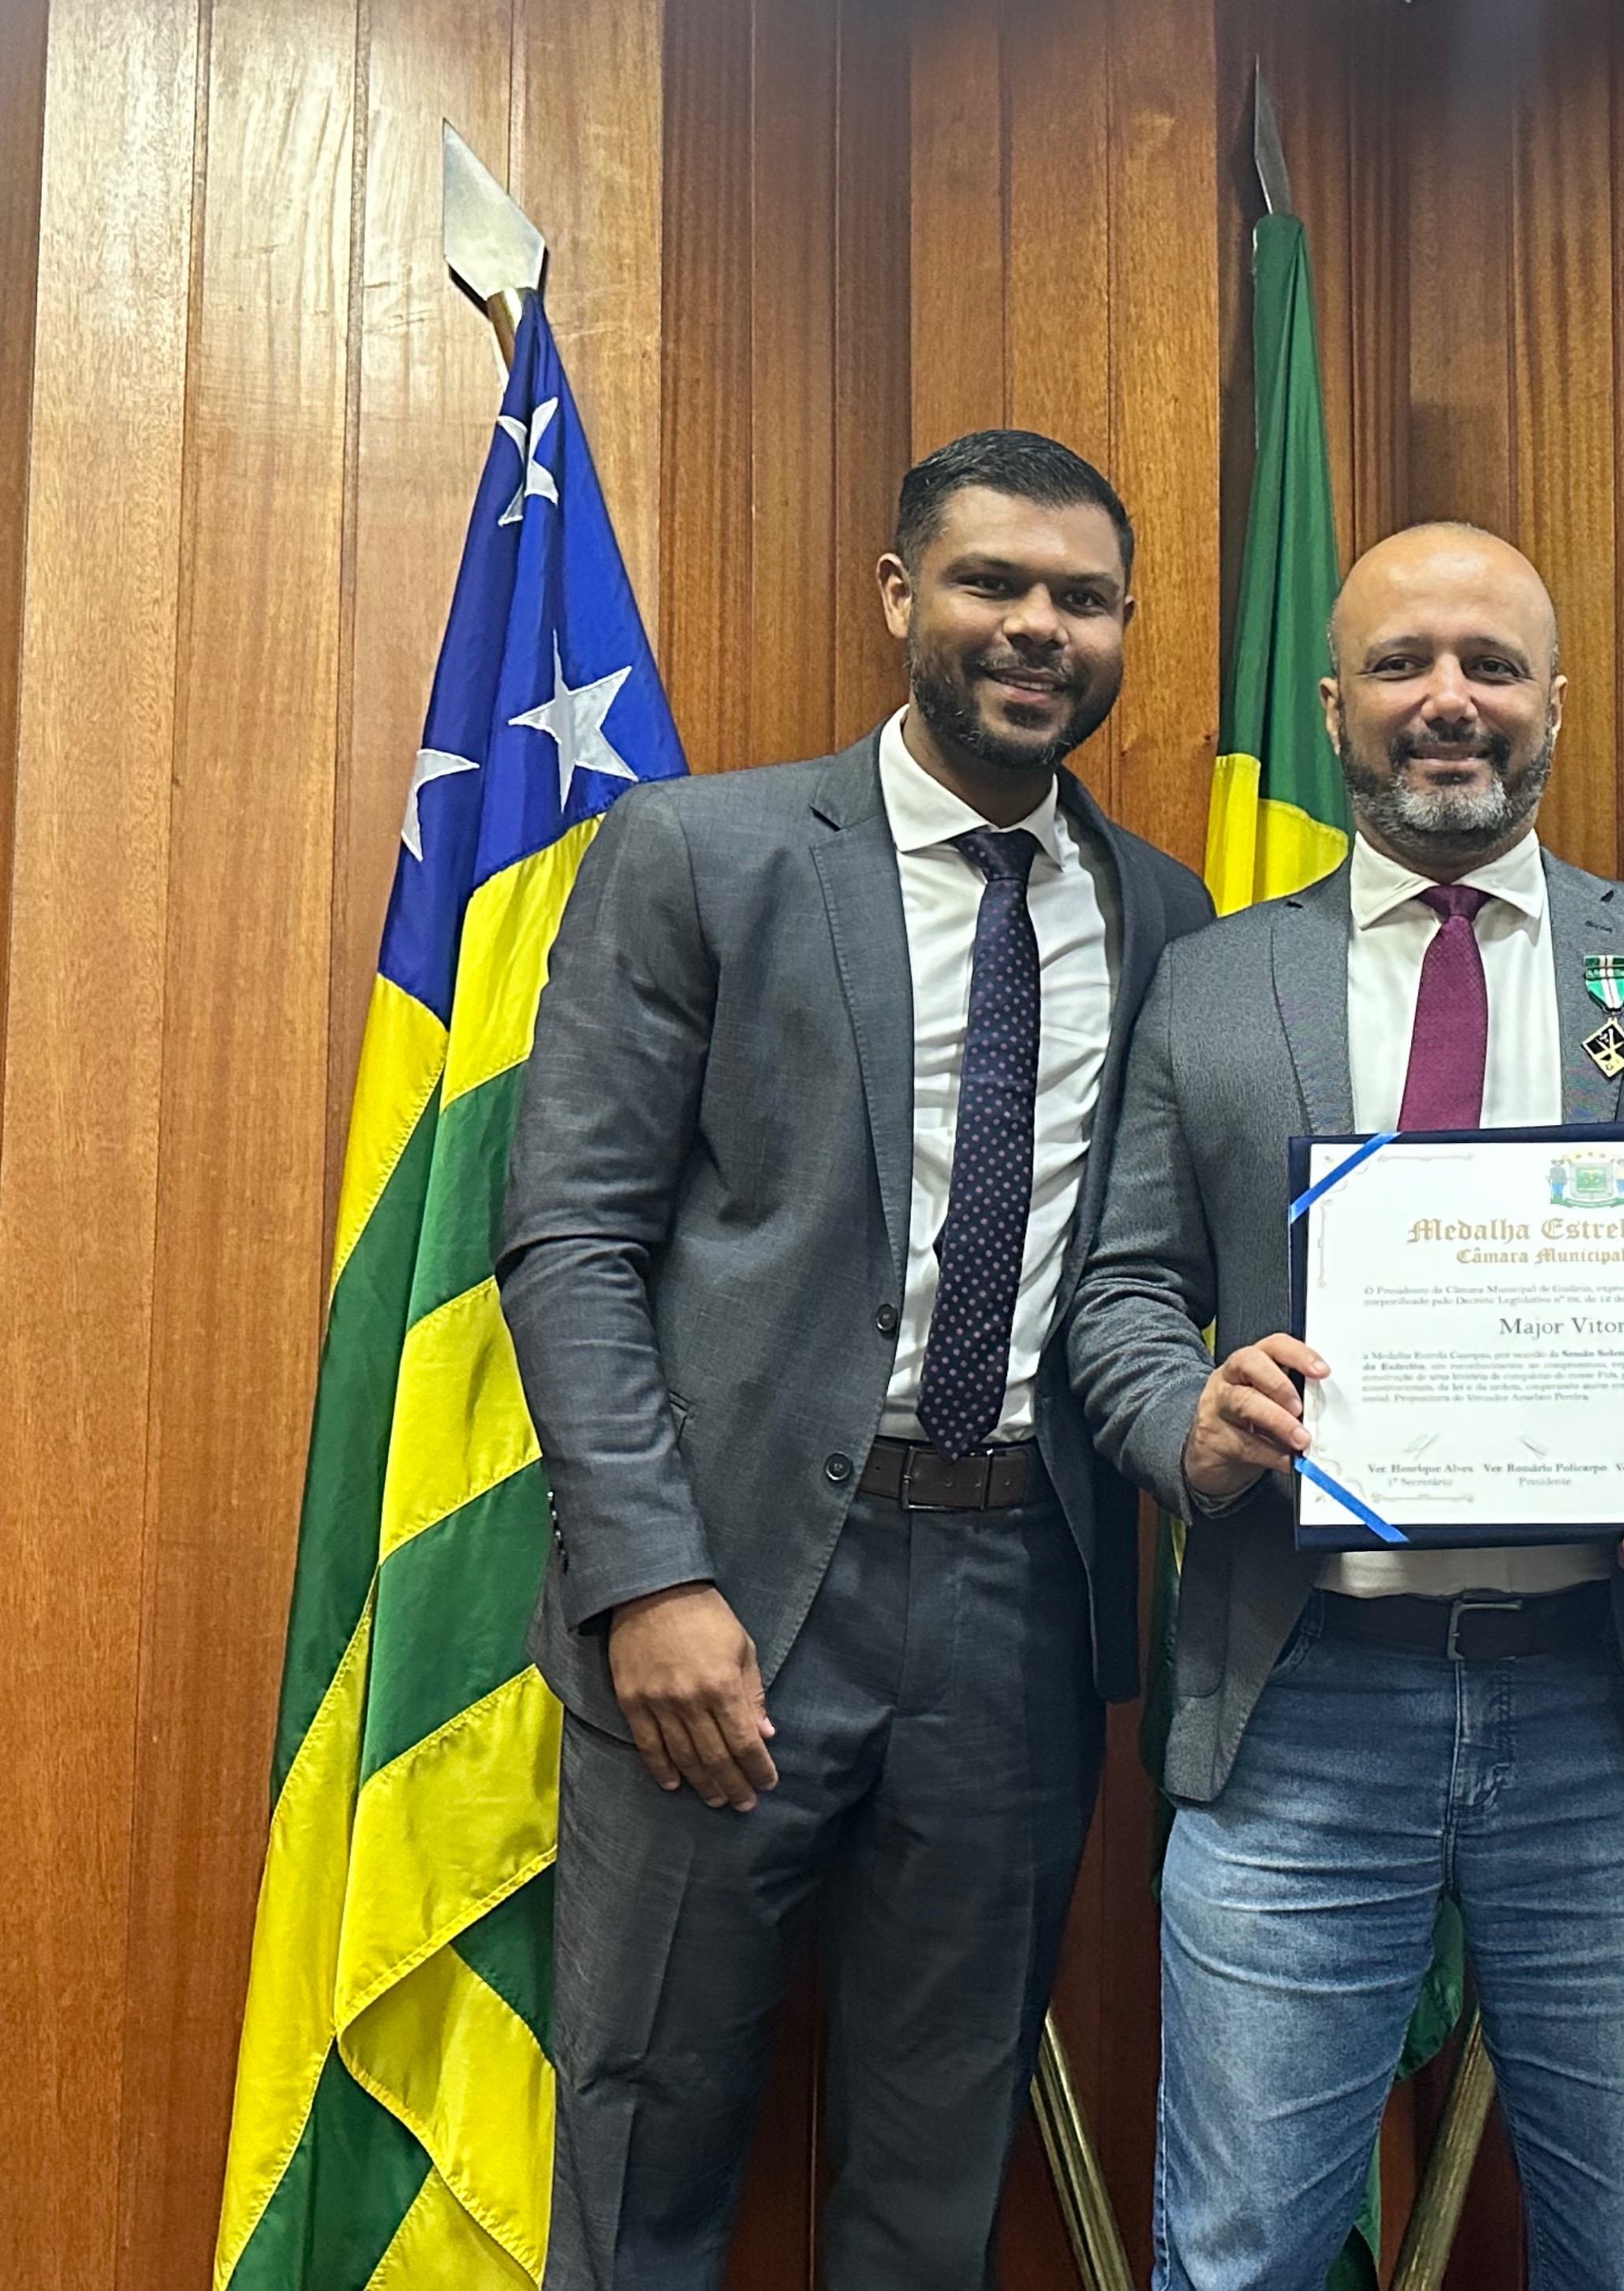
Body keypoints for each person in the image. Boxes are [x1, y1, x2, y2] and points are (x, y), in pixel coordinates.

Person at [1073, 522, 1624, 2291]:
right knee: (1240, 2251)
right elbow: (1118, 1292)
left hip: (1612, 1700)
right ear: (1333, 702)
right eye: (1402, 664)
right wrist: (1187, 1419)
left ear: (1552, 701)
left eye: (1491, 665)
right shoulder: (1213, 977)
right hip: (1302, 1699)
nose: (1448, 700)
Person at [497, 429, 1211, 2289]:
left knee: (936, 2172)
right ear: (901, 596)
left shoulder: (1166, 914)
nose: (1037, 627)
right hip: (723, 1593)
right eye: (991, 583)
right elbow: (570, 1236)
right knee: (643, 2151)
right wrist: (648, 1580)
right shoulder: (702, 853)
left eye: (1081, 599)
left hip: (1021, 1603)